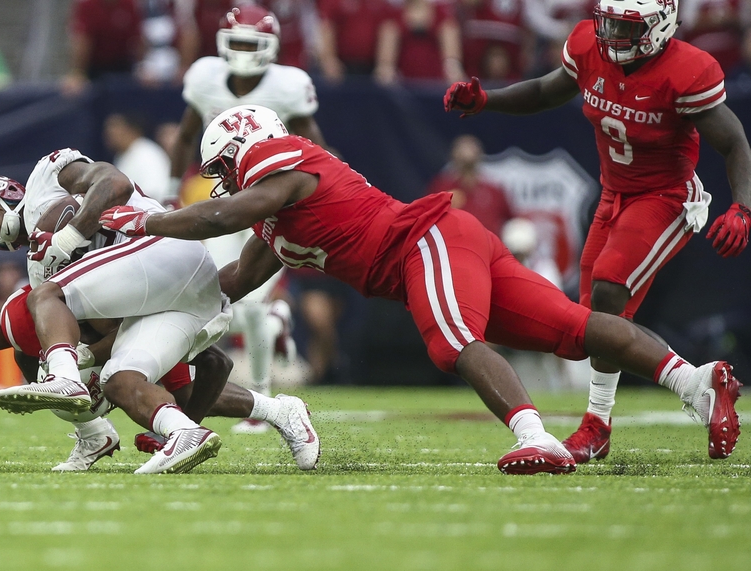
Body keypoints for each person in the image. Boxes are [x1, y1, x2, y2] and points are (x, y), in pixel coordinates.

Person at [100, 104, 742, 474]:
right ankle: (696, 379)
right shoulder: (274, 220)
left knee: (451, 342)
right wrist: (144, 296)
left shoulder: (283, 161)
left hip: (425, 241)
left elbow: (219, 216)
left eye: (221, 168)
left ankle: (534, 437)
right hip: (448, 243)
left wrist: (146, 217)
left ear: (247, 146)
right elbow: (231, 280)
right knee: (573, 331)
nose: (220, 182)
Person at [443, 0, 751, 464]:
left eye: (624, 28)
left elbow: (734, 142)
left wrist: (743, 207)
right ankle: (680, 390)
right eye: (606, 23)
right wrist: (489, 100)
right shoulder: (589, 45)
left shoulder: (686, 70)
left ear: (659, 27)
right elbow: (548, 90)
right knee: (588, 325)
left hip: (666, 197)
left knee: (609, 289)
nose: (609, 36)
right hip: (614, 196)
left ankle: (604, 421)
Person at [0, 149, 320, 473]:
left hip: (164, 252)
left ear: (10, 189)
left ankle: (64, 380)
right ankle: (200, 429)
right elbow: (109, 322)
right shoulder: (37, 269)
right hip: (164, 296)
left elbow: (115, 182)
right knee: (120, 381)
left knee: (47, 296)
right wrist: (88, 360)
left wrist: (70, 234)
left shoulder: (47, 177)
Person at [169, 4, 324, 433]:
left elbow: (317, 146)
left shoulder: (289, 86)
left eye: (249, 43)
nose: (241, 52)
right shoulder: (203, 77)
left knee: (252, 302)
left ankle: (260, 396)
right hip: (220, 200)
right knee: (213, 294)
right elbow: (184, 135)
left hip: (270, 201)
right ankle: (276, 324)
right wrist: (168, 188)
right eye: (235, 42)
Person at [425, 134, 514, 237]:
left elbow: (513, 221)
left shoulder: (493, 190)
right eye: (462, 149)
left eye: (471, 148)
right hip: (454, 248)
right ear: (453, 155)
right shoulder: (441, 187)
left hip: (488, 249)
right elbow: (427, 219)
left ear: (480, 154)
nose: (467, 152)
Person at [103, 112, 174, 204]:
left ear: (131, 130)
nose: (109, 134)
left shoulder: (147, 153)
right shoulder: (122, 155)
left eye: (115, 129)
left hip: (152, 213)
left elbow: (154, 193)